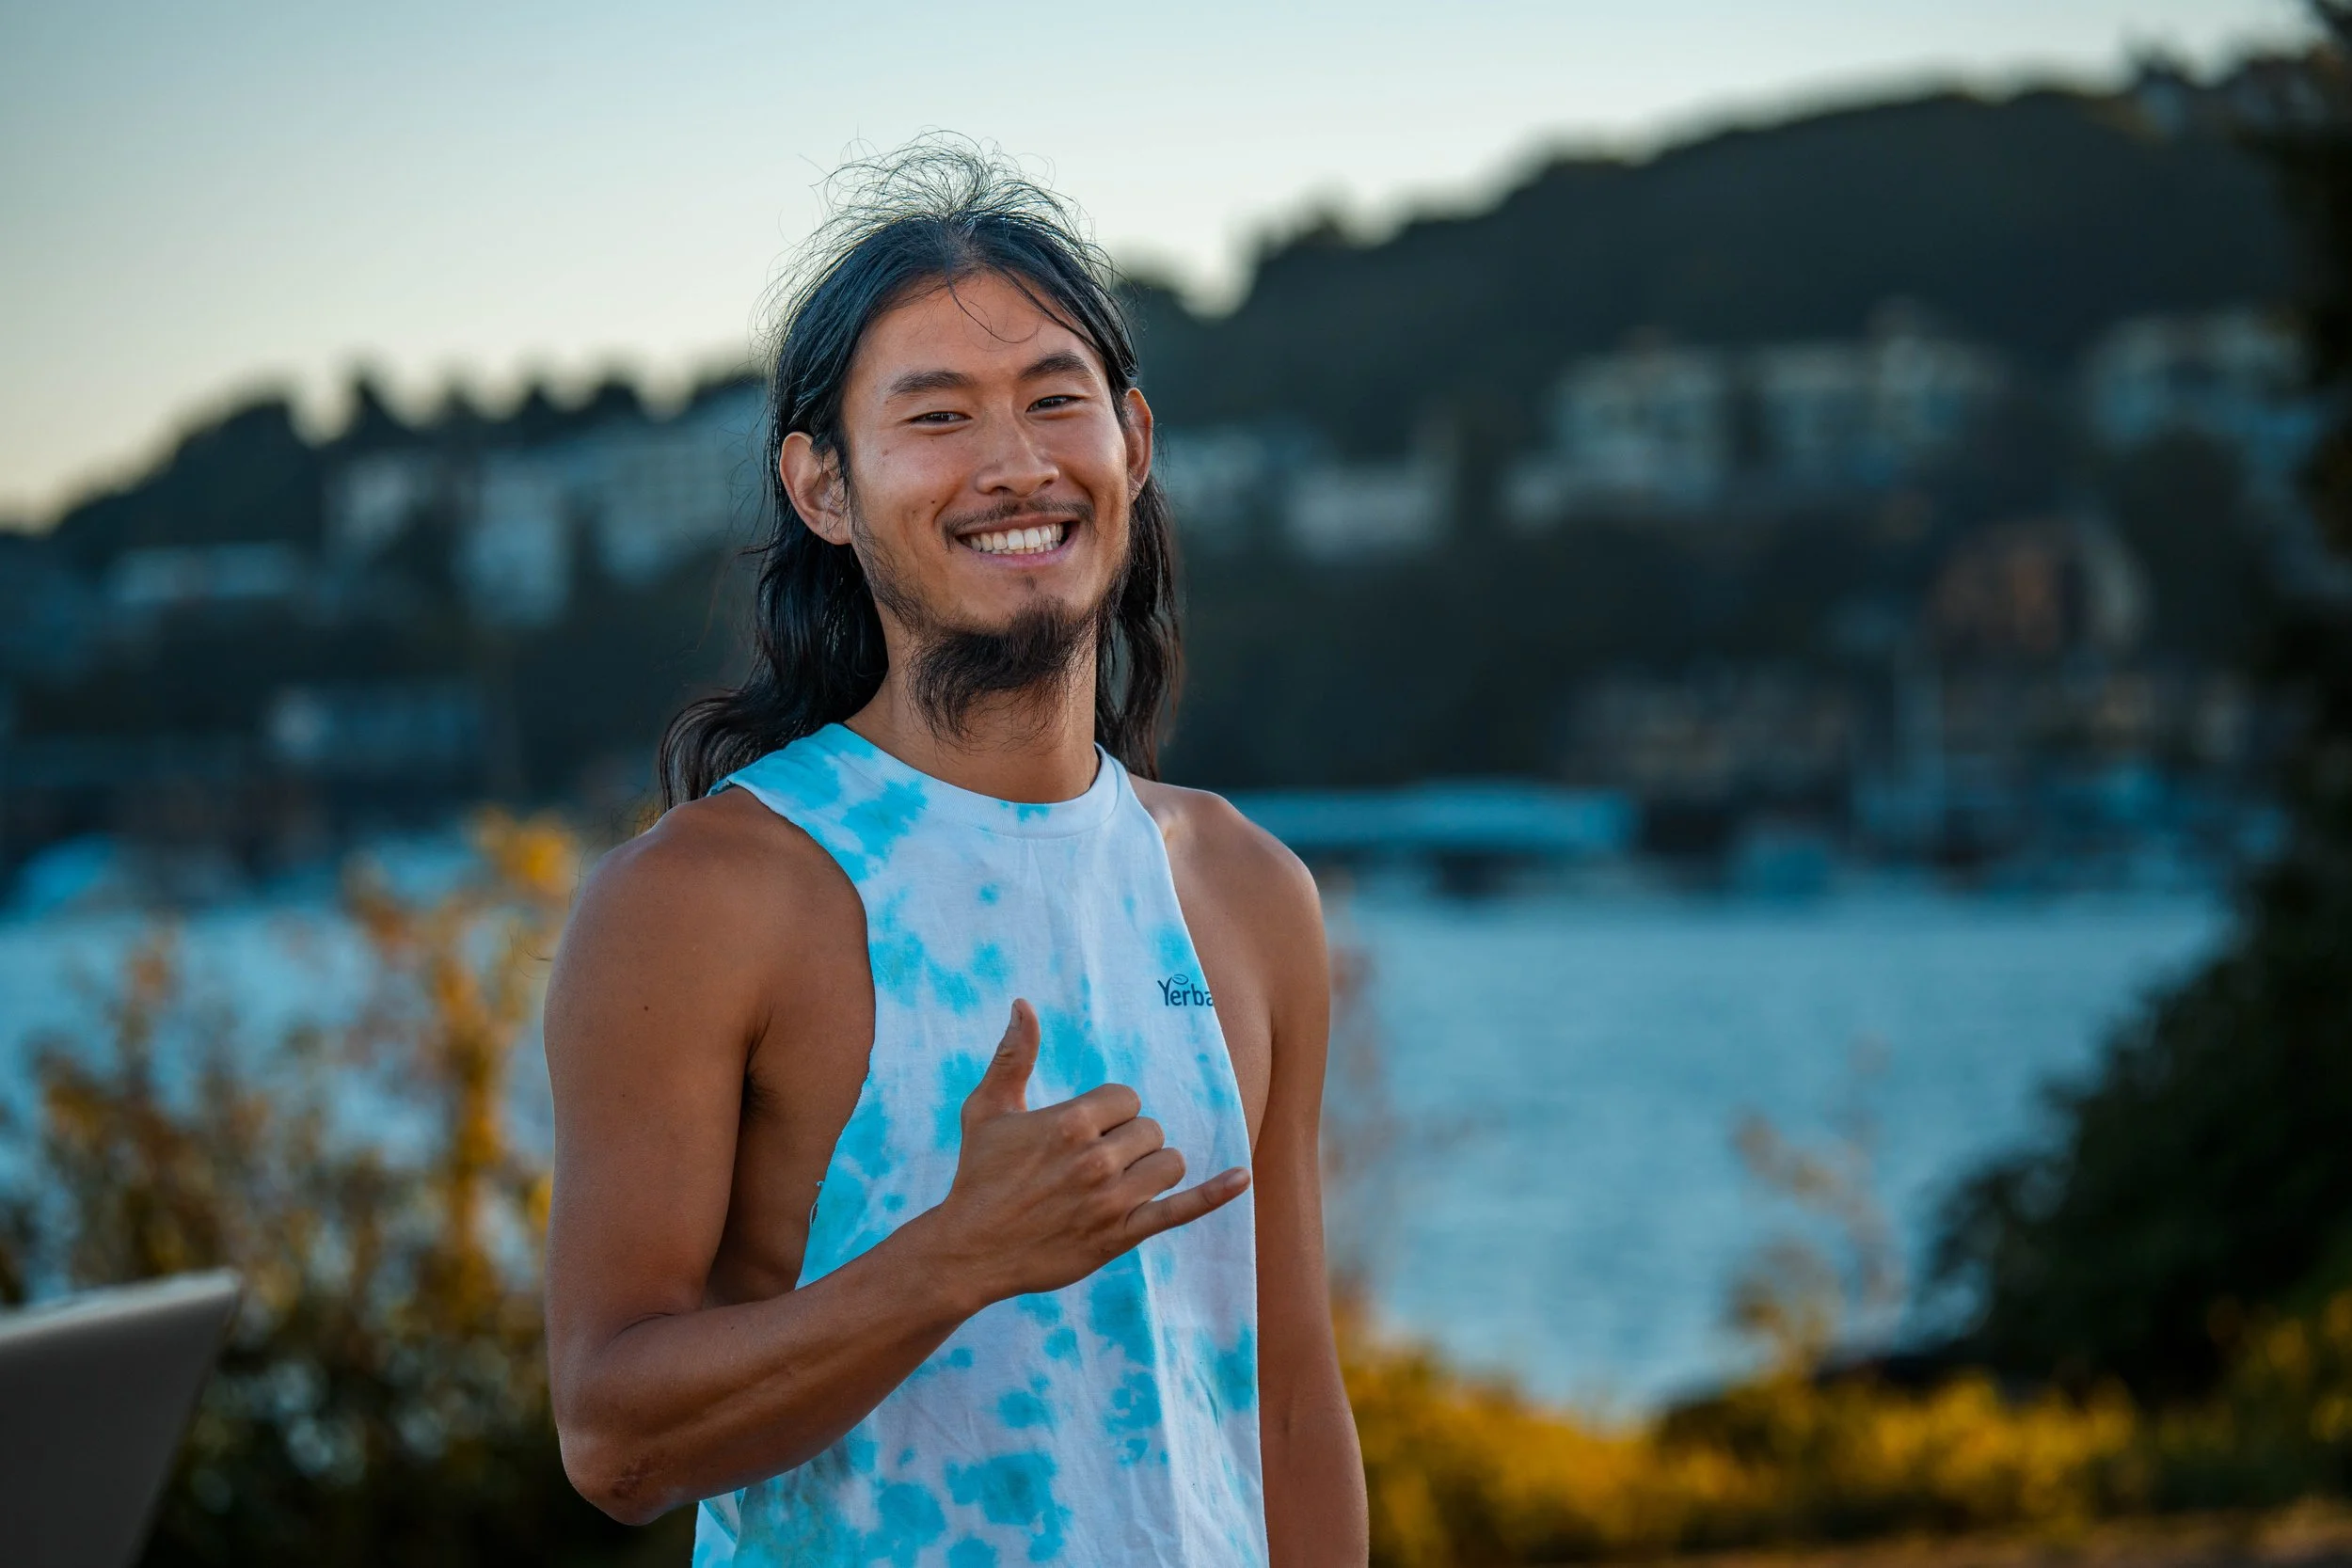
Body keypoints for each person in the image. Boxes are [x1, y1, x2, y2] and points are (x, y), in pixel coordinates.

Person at [541, 146, 1368, 1567]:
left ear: (1133, 443)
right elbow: (614, 1443)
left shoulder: (1242, 887)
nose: (1015, 464)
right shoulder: (700, 901)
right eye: (936, 417)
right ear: (824, 486)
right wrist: (954, 1259)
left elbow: (1286, 1403)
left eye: (1056, 399)